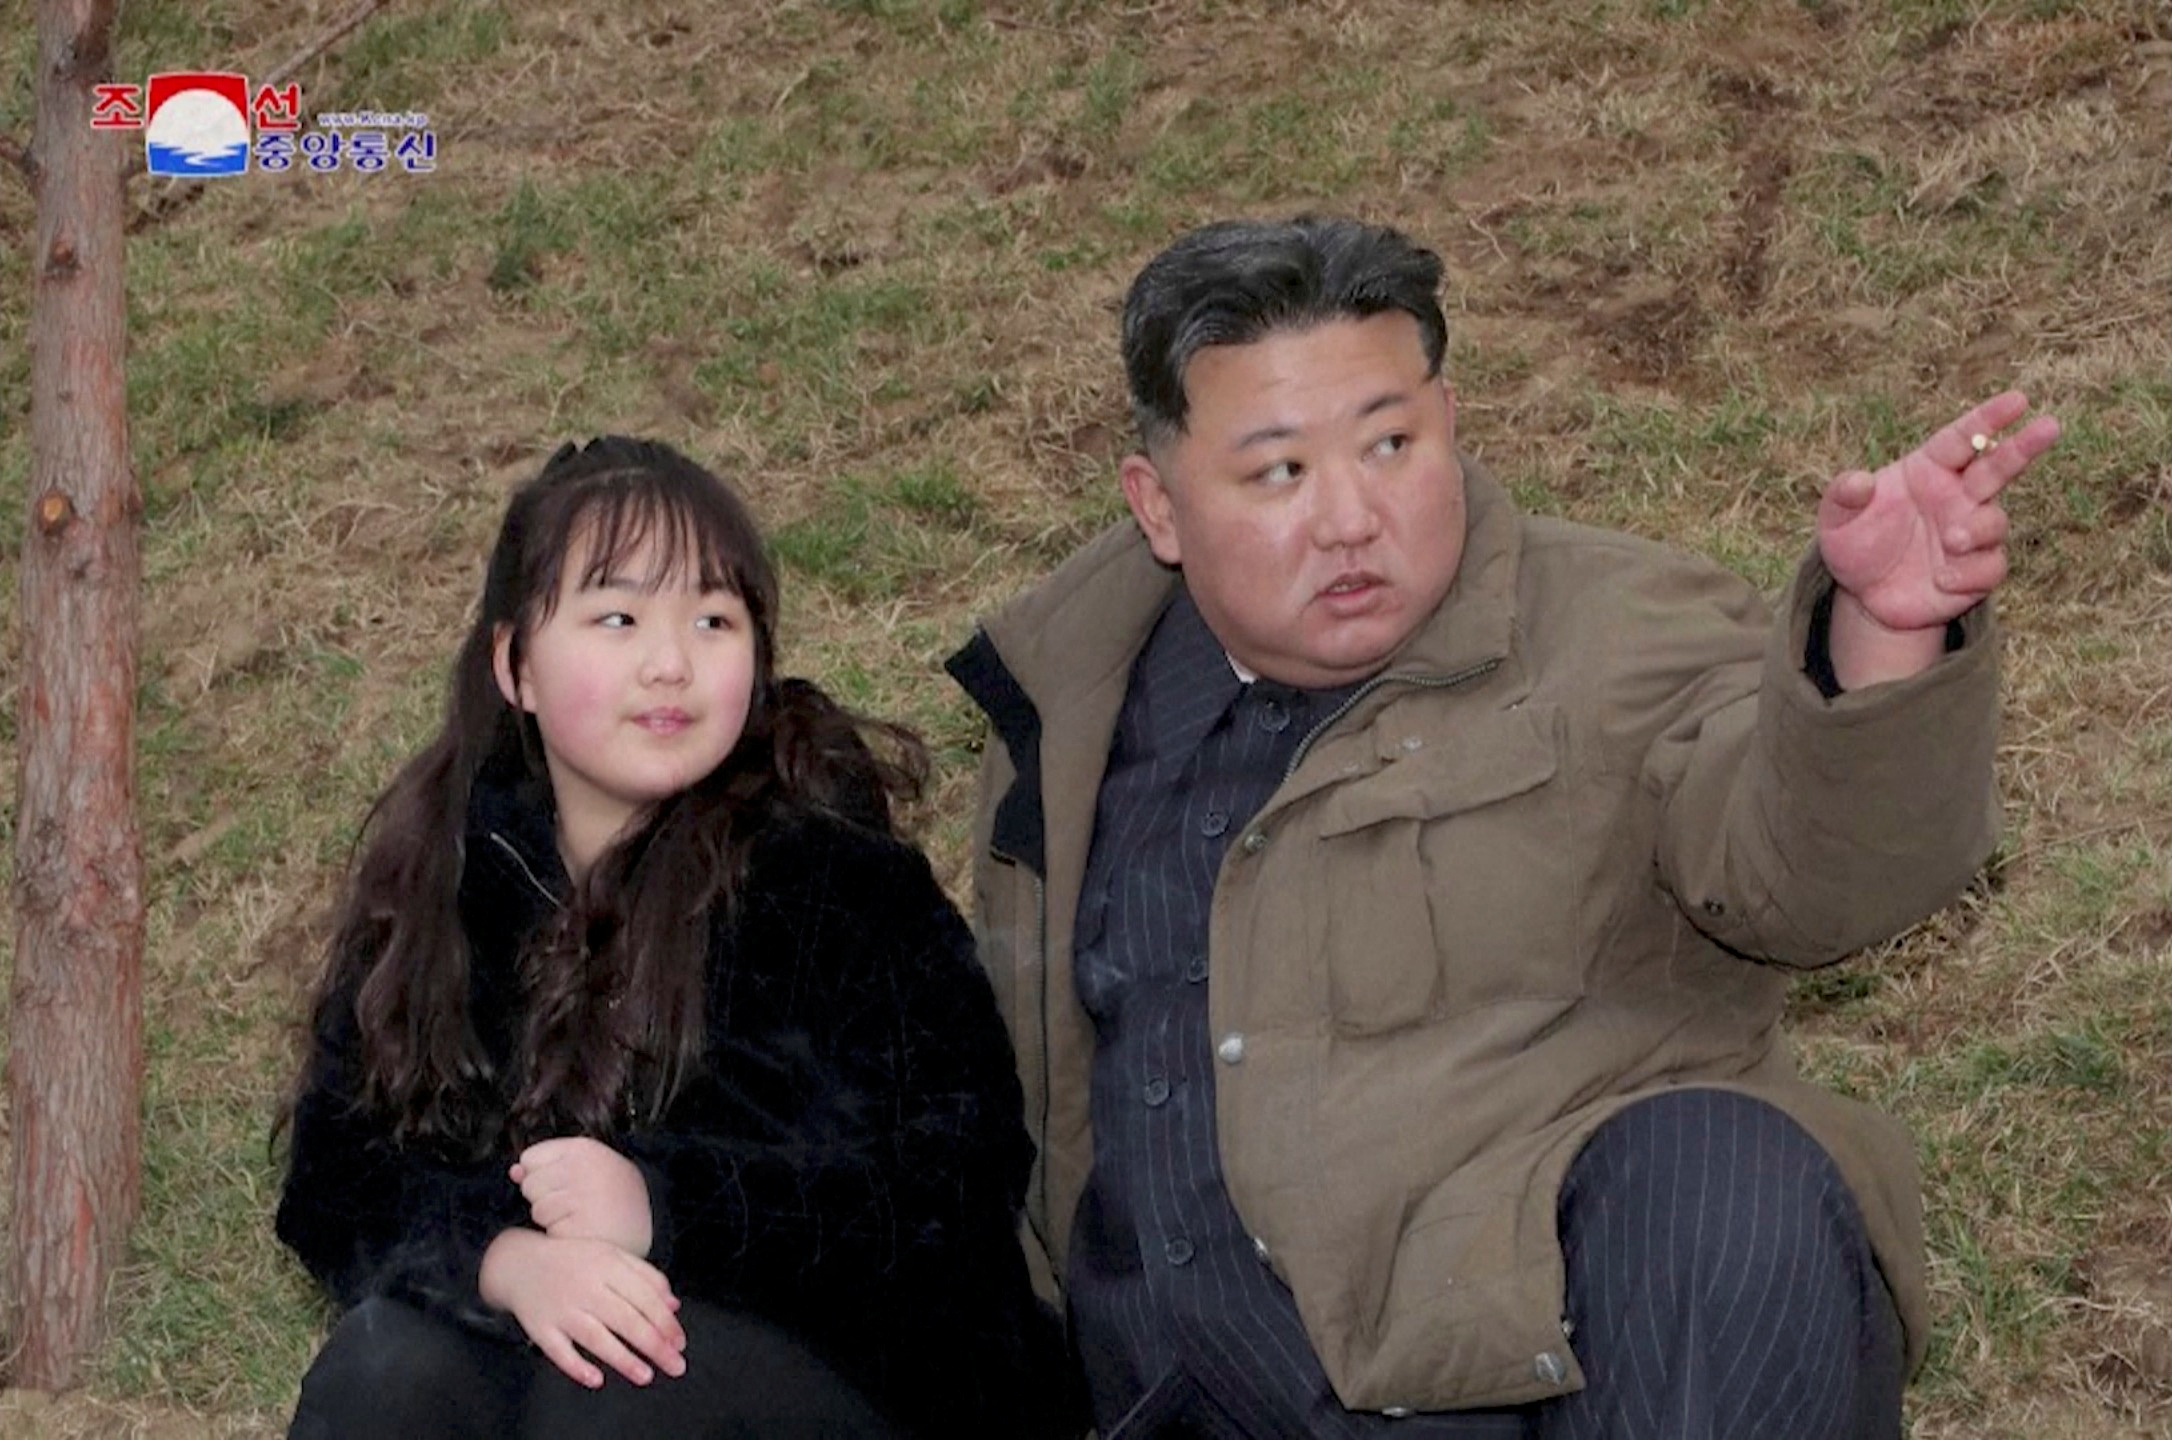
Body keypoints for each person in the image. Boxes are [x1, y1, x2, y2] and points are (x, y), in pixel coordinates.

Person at [945, 215, 2062, 1438]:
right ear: (1158, 507)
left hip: (1562, 1379)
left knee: (1716, 1173)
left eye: (1390, 444)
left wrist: (1879, 642)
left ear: (1451, 423)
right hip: (1177, 1399)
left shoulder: (1619, 628)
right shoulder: (1069, 704)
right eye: (1280, 472)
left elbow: (1809, 878)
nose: (1350, 518)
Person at [277, 436, 1072, 1439]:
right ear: (515, 663)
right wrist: (504, 1260)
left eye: (713, 618)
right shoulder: (448, 882)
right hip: (564, 1349)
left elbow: (957, 1182)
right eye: (617, 618)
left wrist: (663, 1206)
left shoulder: (841, 884)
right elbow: (334, 1179)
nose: (671, 663)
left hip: (863, 1380)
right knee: (384, 1375)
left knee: (622, 1396)